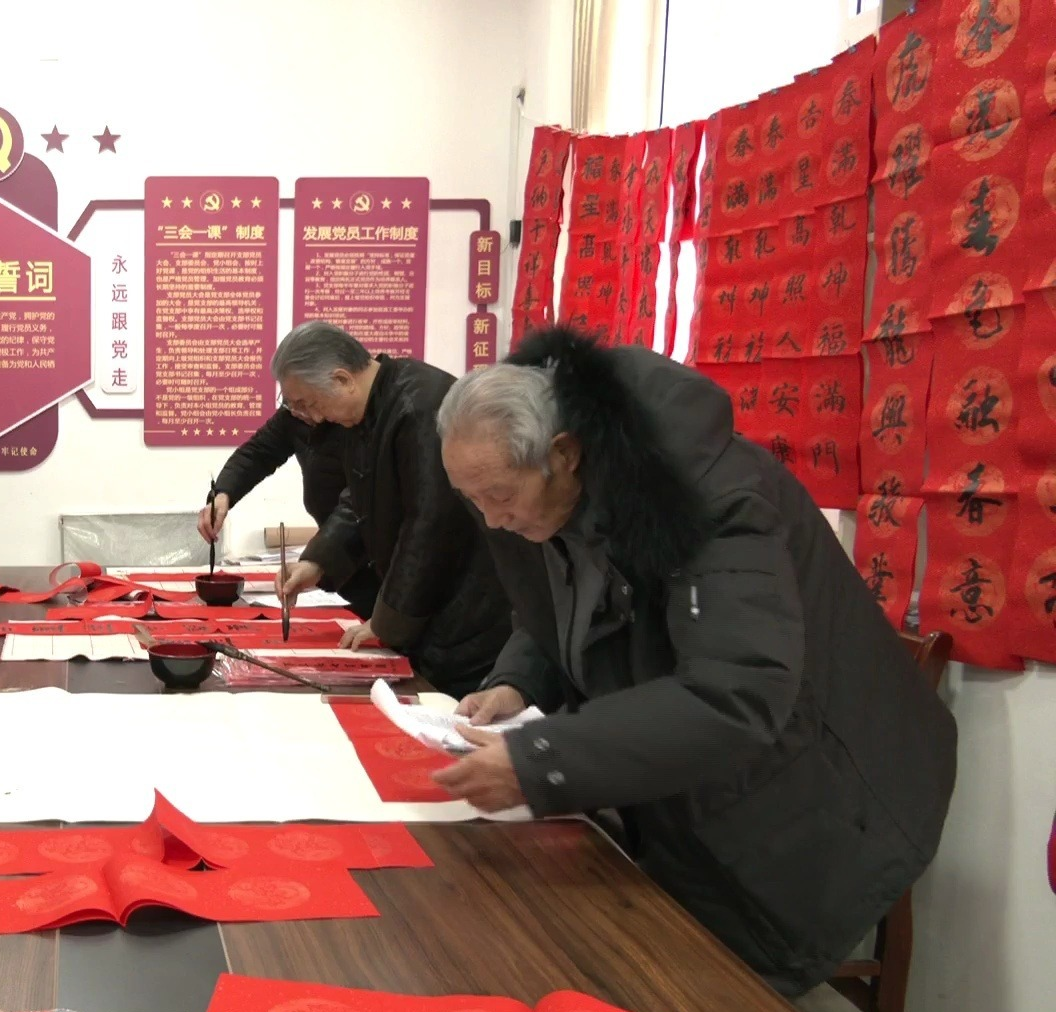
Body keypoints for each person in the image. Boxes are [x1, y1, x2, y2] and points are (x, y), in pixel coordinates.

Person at [431, 325, 957, 997]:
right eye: (473, 500)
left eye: (500, 497)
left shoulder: (710, 497)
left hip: (810, 806)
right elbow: (561, 603)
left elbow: (737, 692)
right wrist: (516, 681)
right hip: (685, 799)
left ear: (564, 453)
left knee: (660, 982)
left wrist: (541, 760)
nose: (491, 519)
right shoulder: (558, 490)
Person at [270, 321, 510, 695]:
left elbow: (429, 526)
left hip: (464, 614)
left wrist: (386, 622)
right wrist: (318, 562)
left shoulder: (419, 407)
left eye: (310, 404)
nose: (314, 418)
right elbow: (358, 499)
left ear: (342, 379)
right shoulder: (367, 411)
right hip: (429, 607)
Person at [198, 406, 380, 615]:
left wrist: (317, 561)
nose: (295, 410)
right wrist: (223, 493)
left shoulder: (360, 418)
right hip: (340, 553)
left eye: (303, 402)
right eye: (288, 402)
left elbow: (359, 502)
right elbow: (258, 452)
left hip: (374, 553)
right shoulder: (295, 413)